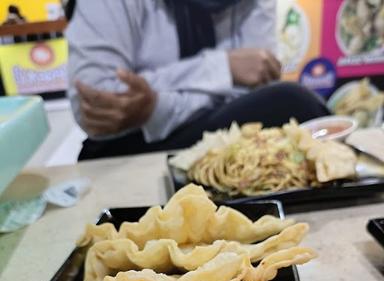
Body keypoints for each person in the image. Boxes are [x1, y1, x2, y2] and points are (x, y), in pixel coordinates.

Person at [66, 0, 329, 161]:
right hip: (127, 150)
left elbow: (253, 83)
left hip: (216, 136)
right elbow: (94, 102)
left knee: (293, 107)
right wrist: (221, 67)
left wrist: (155, 105)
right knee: (292, 102)